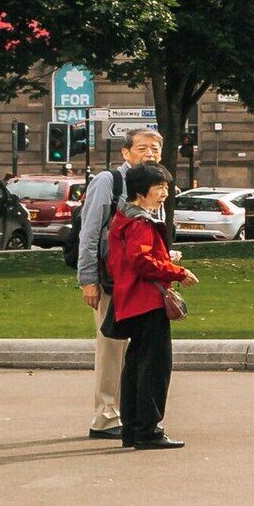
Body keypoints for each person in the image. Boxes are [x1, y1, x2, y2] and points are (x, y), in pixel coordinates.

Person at [73, 126, 161, 440]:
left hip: (141, 283)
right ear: (125, 152)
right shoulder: (108, 182)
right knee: (111, 350)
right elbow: (89, 233)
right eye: (142, 148)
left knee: (137, 353)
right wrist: (88, 280)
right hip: (111, 281)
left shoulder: (152, 186)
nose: (149, 154)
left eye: (155, 148)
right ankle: (106, 418)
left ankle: (132, 414)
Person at [102, 163, 193, 451]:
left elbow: (123, 261)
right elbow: (141, 261)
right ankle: (149, 430)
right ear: (141, 192)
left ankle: (132, 429)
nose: (165, 193)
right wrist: (177, 272)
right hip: (147, 302)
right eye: (159, 187)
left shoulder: (123, 219)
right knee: (155, 368)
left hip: (130, 300)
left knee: (135, 367)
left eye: (166, 187)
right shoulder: (140, 222)